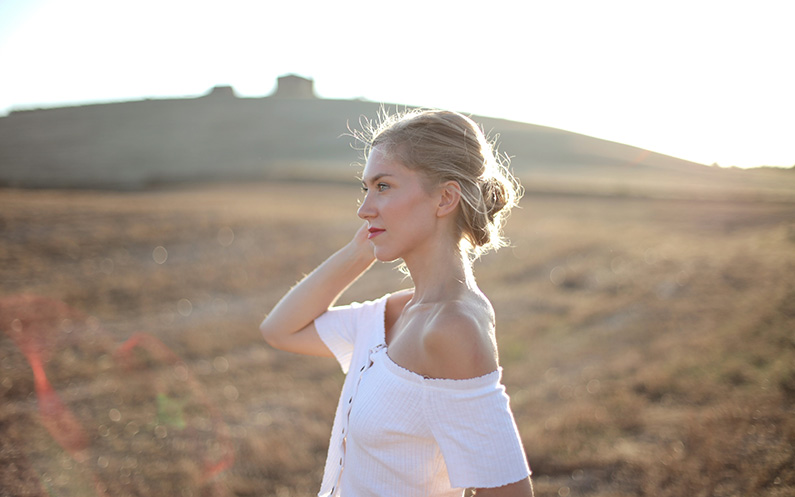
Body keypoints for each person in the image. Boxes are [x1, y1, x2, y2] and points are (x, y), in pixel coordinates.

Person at [260, 109, 533, 497]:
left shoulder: (452, 329)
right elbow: (279, 330)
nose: (364, 208)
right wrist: (362, 249)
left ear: (445, 198)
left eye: (384, 187)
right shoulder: (392, 313)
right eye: (366, 189)